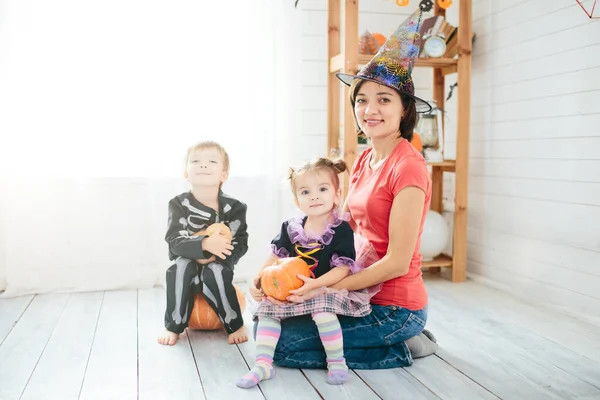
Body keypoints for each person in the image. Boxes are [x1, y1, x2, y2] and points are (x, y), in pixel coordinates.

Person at [249, 7, 438, 370]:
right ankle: (389, 340)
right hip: (356, 291)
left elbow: (396, 262)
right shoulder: (366, 159)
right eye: (363, 99)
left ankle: (403, 344)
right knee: (266, 323)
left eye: (384, 99)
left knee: (284, 347)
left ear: (404, 110)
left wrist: (328, 289)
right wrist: (274, 273)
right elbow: (338, 231)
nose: (371, 109)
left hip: (393, 305)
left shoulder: (409, 167)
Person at [237, 157, 379, 388]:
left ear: (336, 194)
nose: (314, 196)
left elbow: (343, 269)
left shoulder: (340, 228)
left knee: (323, 313)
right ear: (296, 200)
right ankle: (262, 365)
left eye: (322, 189)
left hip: (324, 286)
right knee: (268, 311)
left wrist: (316, 286)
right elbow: (276, 257)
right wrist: (259, 279)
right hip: (292, 290)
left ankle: (336, 362)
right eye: (305, 192)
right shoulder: (291, 228)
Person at [157, 141, 249, 346]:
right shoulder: (178, 204)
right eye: (196, 161)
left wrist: (220, 253)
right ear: (186, 173)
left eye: (212, 161)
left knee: (215, 271)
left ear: (223, 175)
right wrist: (204, 244)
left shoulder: (235, 208)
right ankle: (173, 325)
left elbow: (241, 241)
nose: (203, 165)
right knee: (178, 267)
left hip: (218, 263)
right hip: (187, 260)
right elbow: (174, 240)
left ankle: (234, 324)